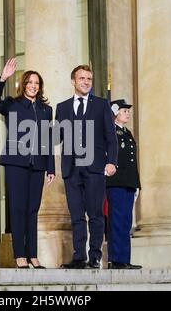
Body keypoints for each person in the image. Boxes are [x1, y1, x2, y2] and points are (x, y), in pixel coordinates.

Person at [0, 58, 55, 268]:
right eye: (30, 82)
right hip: (15, 164)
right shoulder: (12, 104)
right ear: (23, 84)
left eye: (36, 83)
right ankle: (20, 256)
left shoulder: (46, 110)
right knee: (17, 209)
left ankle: (33, 255)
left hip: (38, 166)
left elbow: (48, 138)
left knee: (32, 210)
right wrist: (2, 79)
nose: (33, 86)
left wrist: (50, 167)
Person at [56, 65, 117, 269]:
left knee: (96, 215)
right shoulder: (62, 107)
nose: (86, 82)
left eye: (89, 79)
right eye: (81, 78)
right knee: (76, 216)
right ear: (73, 81)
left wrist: (111, 161)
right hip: (71, 168)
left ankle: (95, 257)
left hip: (94, 167)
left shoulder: (101, 105)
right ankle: (79, 257)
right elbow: (58, 136)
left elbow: (111, 138)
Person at [106, 99, 142, 270]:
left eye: (128, 111)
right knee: (116, 220)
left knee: (127, 222)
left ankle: (124, 258)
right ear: (115, 113)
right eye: (124, 111)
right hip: (116, 181)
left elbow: (131, 161)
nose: (127, 113)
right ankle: (115, 259)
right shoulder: (110, 131)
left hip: (128, 181)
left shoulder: (127, 133)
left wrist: (136, 183)